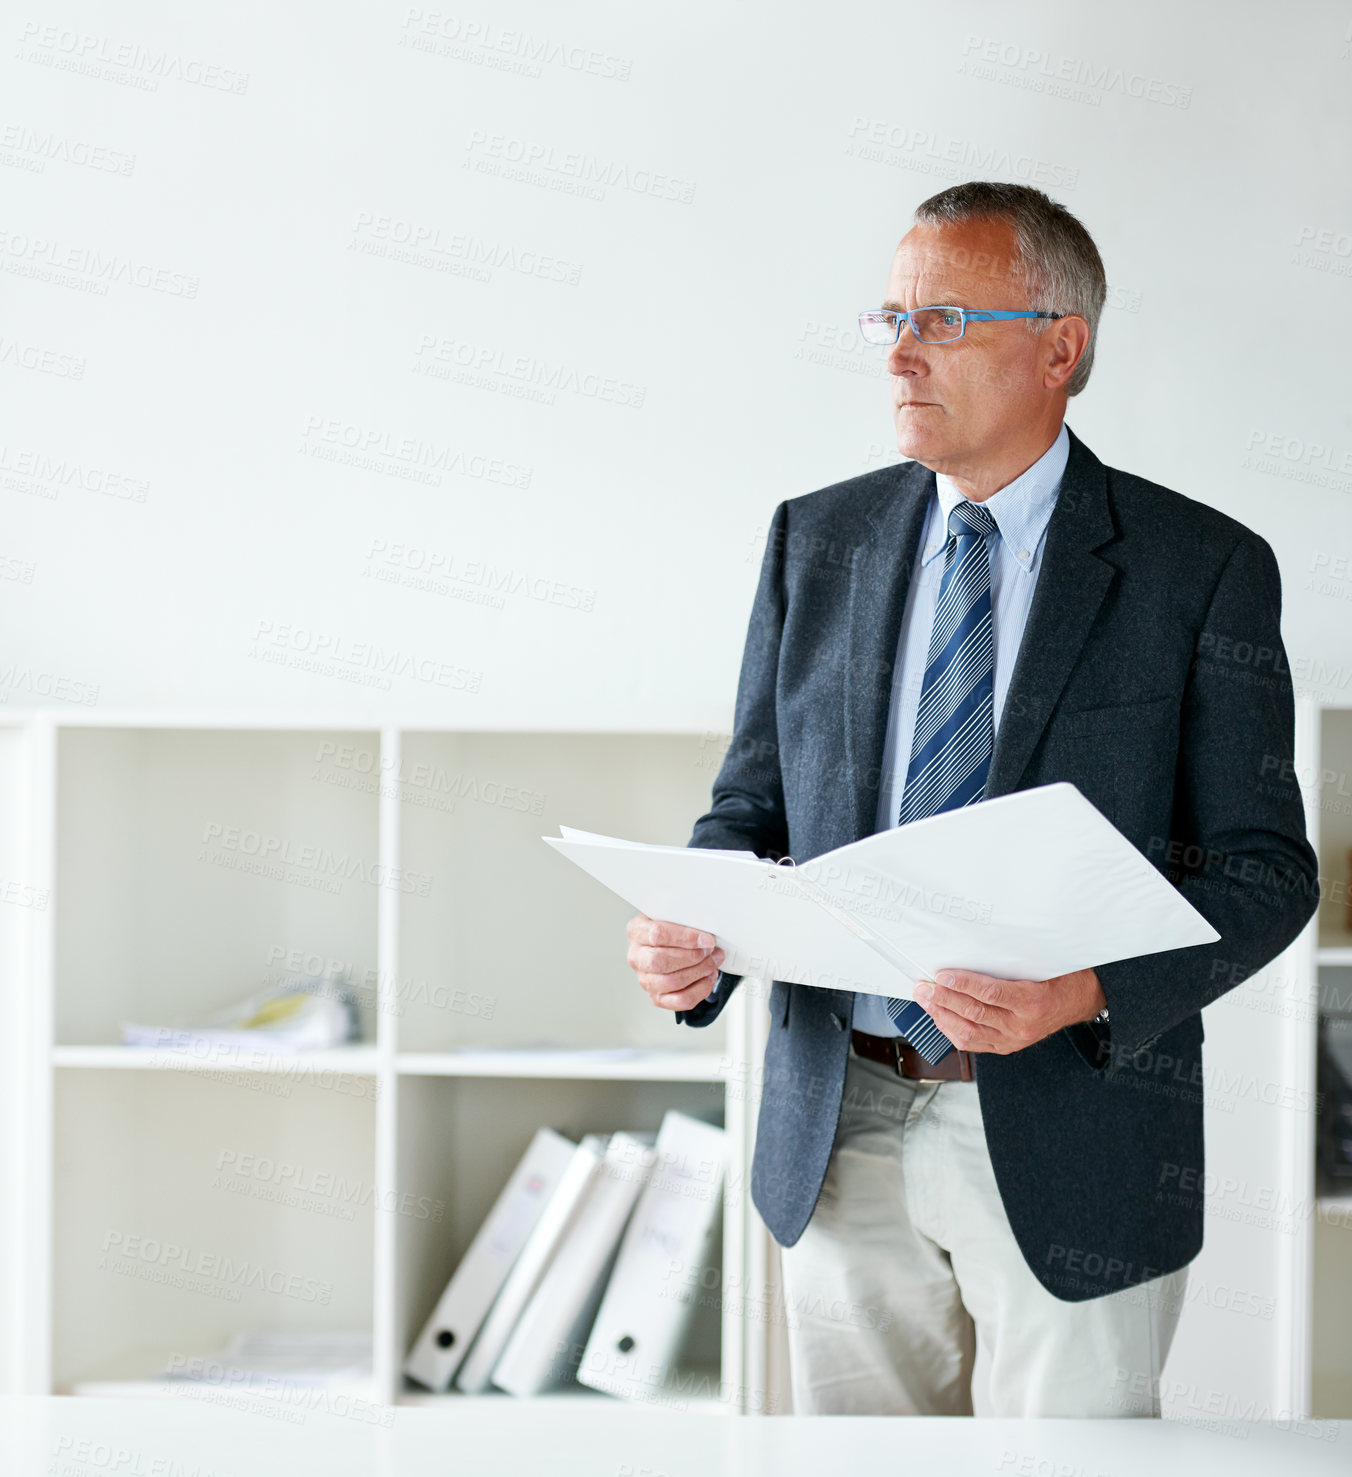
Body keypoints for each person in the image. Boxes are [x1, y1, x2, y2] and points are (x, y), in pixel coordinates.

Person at [624, 181, 1319, 1417]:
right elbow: (752, 803)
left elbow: (1265, 871)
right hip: (837, 1121)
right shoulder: (812, 541)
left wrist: (1081, 992)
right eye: (887, 316)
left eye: (942, 317)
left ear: (1061, 347)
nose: (897, 352)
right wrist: (699, 932)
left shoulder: (1198, 569)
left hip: (1076, 1133)